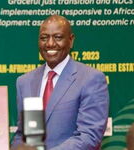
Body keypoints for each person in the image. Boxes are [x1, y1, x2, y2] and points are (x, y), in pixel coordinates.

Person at [11, 15, 109, 150]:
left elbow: (89, 136)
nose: (50, 43)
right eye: (44, 38)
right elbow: (22, 134)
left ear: (71, 40)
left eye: (57, 37)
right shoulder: (24, 82)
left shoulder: (91, 79)